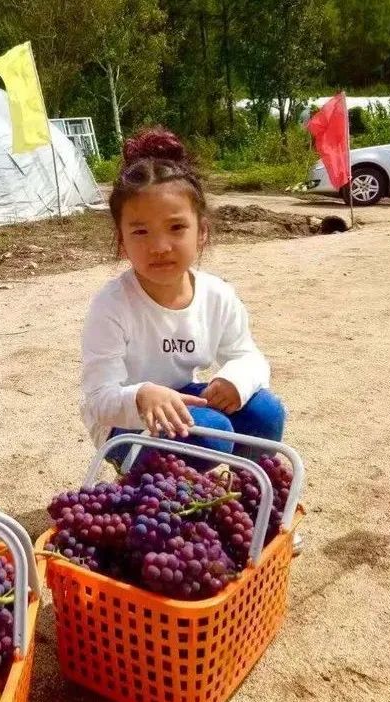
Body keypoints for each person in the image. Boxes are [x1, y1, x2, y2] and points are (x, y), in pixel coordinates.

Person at [81, 126, 285, 468]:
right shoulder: (112, 305)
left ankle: (239, 492)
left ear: (201, 231)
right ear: (121, 241)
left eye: (176, 228)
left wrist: (234, 380)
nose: (159, 247)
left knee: (264, 413)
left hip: (184, 403)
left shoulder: (216, 295)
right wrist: (142, 396)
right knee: (210, 431)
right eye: (140, 231)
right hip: (125, 426)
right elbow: (99, 398)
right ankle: (154, 489)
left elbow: (249, 357)